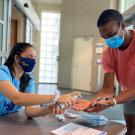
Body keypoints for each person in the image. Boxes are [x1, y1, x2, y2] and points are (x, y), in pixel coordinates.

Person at [72, 9, 135, 135]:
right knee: (131, 130)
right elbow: (107, 89)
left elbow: (112, 98)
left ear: (123, 25)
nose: (109, 40)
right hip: (128, 93)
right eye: (105, 37)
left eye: (112, 34)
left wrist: (112, 101)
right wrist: (92, 102)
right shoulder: (108, 53)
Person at [0, 43, 77, 117]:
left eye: (34, 58)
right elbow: (17, 98)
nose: (32, 61)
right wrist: (55, 98)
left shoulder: (28, 81)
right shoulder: (2, 73)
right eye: (29, 57)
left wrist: (47, 110)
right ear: (17, 58)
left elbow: (29, 110)